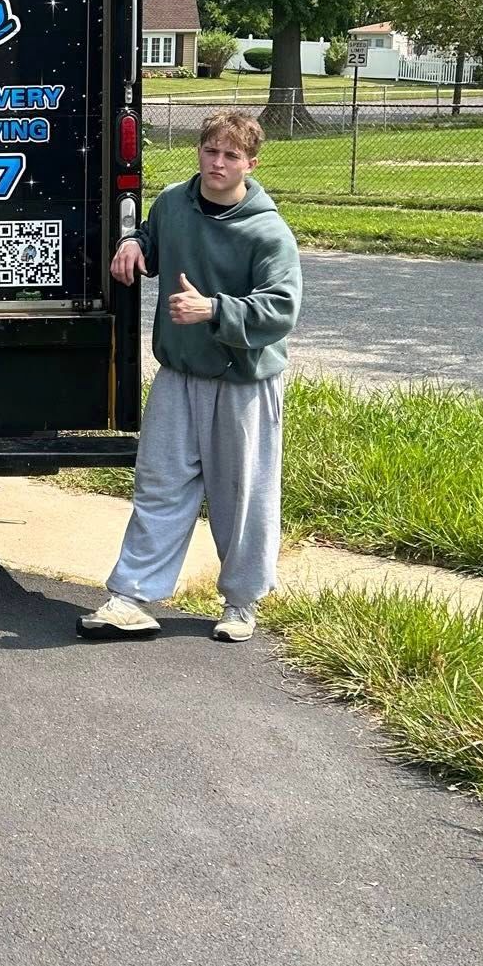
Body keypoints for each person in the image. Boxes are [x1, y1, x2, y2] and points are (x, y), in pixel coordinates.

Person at [80, 108, 302, 644]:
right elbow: (155, 238)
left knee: (241, 497)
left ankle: (241, 603)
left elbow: (282, 308)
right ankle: (131, 597)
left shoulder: (268, 232)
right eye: (210, 151)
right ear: (198, 152)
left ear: (250, 163)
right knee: (159, 485)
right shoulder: (174, 203)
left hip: (243, 383)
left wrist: (215, 312)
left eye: (230, 155)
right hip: (180, 374)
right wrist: (135, 244)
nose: (217, 163)